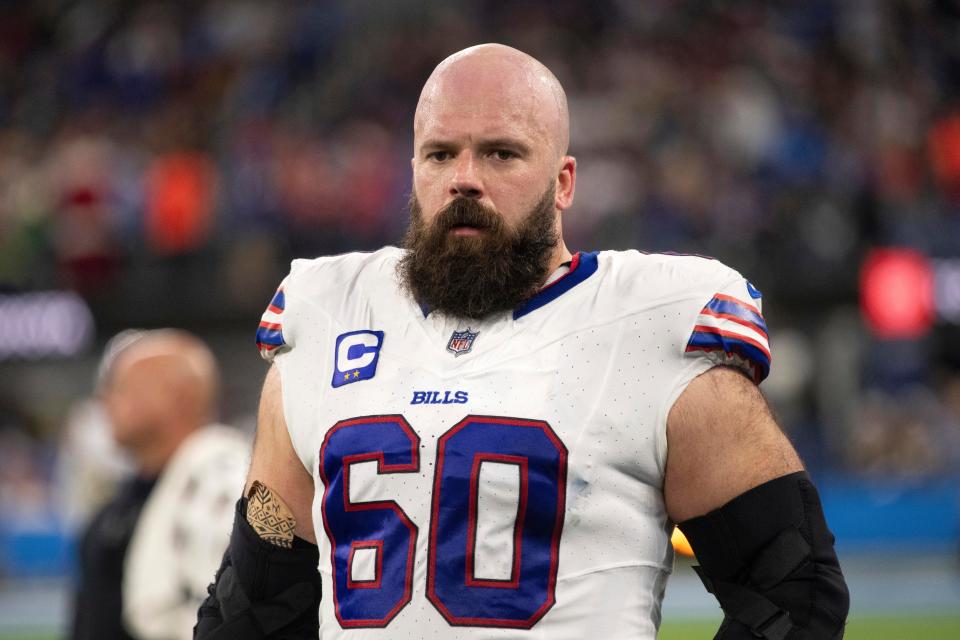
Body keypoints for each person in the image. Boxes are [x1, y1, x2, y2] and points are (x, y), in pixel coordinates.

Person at [196, 44, 849, 639]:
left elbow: (793, 590)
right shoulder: (327, 312)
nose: (465, 178)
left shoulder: (653, 319)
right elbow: (259, 596)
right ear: (414, 169)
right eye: (440, 153)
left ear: (564, 181)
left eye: (501, 153)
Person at [71, 329, 248, 640]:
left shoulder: (224, 486)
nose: (105, 399)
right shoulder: (126, 501)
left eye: (121, 386)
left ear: (176, 395)